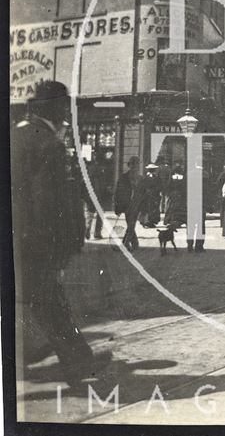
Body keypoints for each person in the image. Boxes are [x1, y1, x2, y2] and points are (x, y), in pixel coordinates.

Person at [11, 81, 111, 383]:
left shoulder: (14, 134)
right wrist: (57, 247)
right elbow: (46, 200)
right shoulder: (48, 143)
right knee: (51, 303)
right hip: (34, 241)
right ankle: (77, 362)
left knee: (40, 302)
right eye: (63, 107)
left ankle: (33, 356)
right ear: (55, 109)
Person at [114, 156, 141, 249]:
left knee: (131, 223)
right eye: (132, 164)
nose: (134, 166)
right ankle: (132, 242)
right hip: (126, 205)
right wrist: (117, 206)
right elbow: (117, 192)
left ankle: (128, 243)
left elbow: (145, 193)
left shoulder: (141, 179)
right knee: (130, 223)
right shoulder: (123, 178)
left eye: (136, 164)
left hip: (137, 204)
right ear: (129, 165)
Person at [83, 156, 109, 240]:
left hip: (90, 195)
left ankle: (87, 231)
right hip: (99, 196)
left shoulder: (89, 170)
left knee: (89, 215)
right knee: (100, 215)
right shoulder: (101, 172)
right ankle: (97, 233)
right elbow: (103, 185)